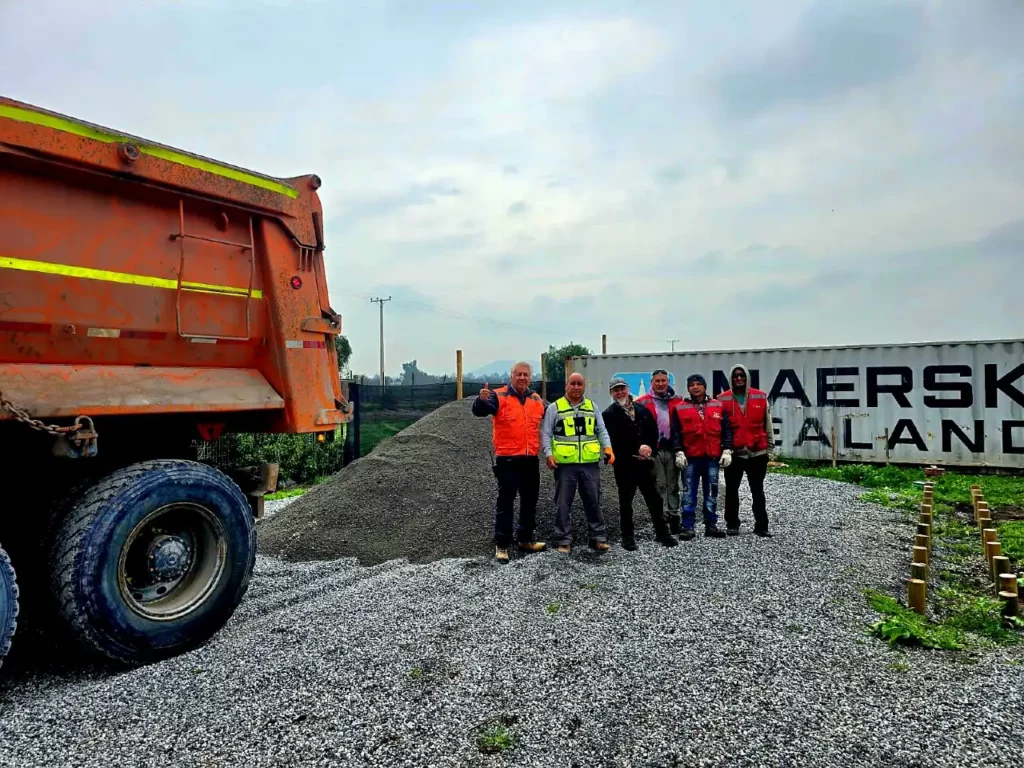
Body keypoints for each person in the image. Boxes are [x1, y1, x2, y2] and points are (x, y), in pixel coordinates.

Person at [472, 361, 548, 562]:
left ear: (530, 377)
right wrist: (480, 400)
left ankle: (525, 540)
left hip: (531, 459)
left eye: (526, 374)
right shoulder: (499, 396)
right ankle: (502, 545)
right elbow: (480, 411)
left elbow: (550, 417)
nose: (522, 378)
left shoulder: (535, 399)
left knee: (529, 501)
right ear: (511, 375)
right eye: (519, 374)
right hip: (507, 460)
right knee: (506, 502)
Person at [601, 377, 679, 551]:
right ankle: (627, 537)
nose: (619, 392)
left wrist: (649, 449)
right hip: (624, 466)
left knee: (654, 500)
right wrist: (637, 449)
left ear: (628, 389)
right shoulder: (608, 415)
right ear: (611, 394)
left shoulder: (642, 409)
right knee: (626, 503)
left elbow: (654, 432)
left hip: (645, 464)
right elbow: (613, 441)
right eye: (615, 390)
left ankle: (662, 533)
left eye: (622, 388)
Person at [541, 372, 613, 553]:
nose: (576, 387)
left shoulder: (591, 406)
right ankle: (564, 540)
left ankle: (598, 538)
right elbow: (546, 434)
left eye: (579, 384)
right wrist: (548, 454)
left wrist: (608, 448)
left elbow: (601, 430)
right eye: (572, 383)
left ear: (584, 387)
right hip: (565, 465)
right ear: (566, 385)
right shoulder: (555, 408)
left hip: (589, 463)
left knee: (593, 501)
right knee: (563, 503)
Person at [671, 373, 732, 539]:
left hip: (711, 457)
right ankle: (688, 527)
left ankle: (711, 525)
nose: (695, 387)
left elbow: (726, 430)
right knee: (689, 493)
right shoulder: (680, 407)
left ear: (705, 386)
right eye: (692, 385)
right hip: (690, 458)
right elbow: (675, 432)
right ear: (688, 388)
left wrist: (727, 449)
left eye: (698, 384)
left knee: (712, 491)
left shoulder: (718, 406)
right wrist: (678, 451)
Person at [718, 363, 775, 537]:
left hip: (757, 452)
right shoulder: (722, 399)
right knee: (731, 490)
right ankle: (732, 524)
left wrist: (770, 450)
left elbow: (768, 424)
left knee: (757, 490)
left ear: (747, 377)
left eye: (742, 375)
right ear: (731, 379)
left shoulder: (760, 397)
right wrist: (723, 451)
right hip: (735, 454)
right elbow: (719, 428)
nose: (739, 378)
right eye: (735, 376)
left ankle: (761, 525)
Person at [636, 369, 685, 534]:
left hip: (672, 449)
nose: (660, 384)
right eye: (657, 381)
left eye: (663, 380)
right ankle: (661, 520)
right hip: (654, 450)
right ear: (651, 383)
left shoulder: (678, 401)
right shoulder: (642, 402)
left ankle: (674, 518)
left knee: (673, 485)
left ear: (668, 382)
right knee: (660, 485)